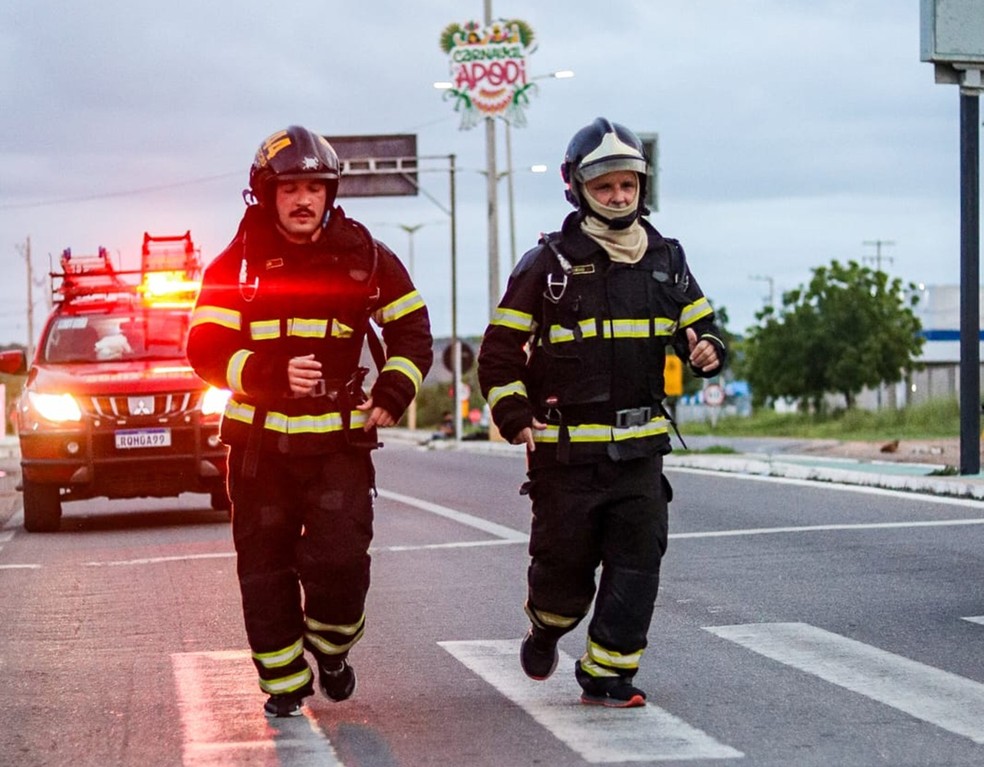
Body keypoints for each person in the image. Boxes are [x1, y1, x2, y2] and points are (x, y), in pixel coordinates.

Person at [477, 118, 726, 708]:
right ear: (577, 188)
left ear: (641, 188)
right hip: (566, 460)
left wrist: (708, 349)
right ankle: (547, 627)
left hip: (640, 454)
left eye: (628, 186)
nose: (619, 197)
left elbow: (702, 326)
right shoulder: (548, 264)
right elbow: (498, 354)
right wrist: (514, 414)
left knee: (638, 564)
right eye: (605, 186)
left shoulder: (668, 259)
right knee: (563, 577)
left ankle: (609, 672)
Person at [187, 125, 433, 718]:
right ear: (265, 194)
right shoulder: (234, 264)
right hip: (257, 451)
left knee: (342, 561)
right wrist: (269, 374)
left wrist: (395, 388)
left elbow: (412, 331)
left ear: (330, 193)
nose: (304, 199)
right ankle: (283, 682)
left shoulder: (367, 255)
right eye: (291, 186)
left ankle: (331, 648)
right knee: (265, 571)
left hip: (338, 448)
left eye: (315, 187)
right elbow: (203, 347)